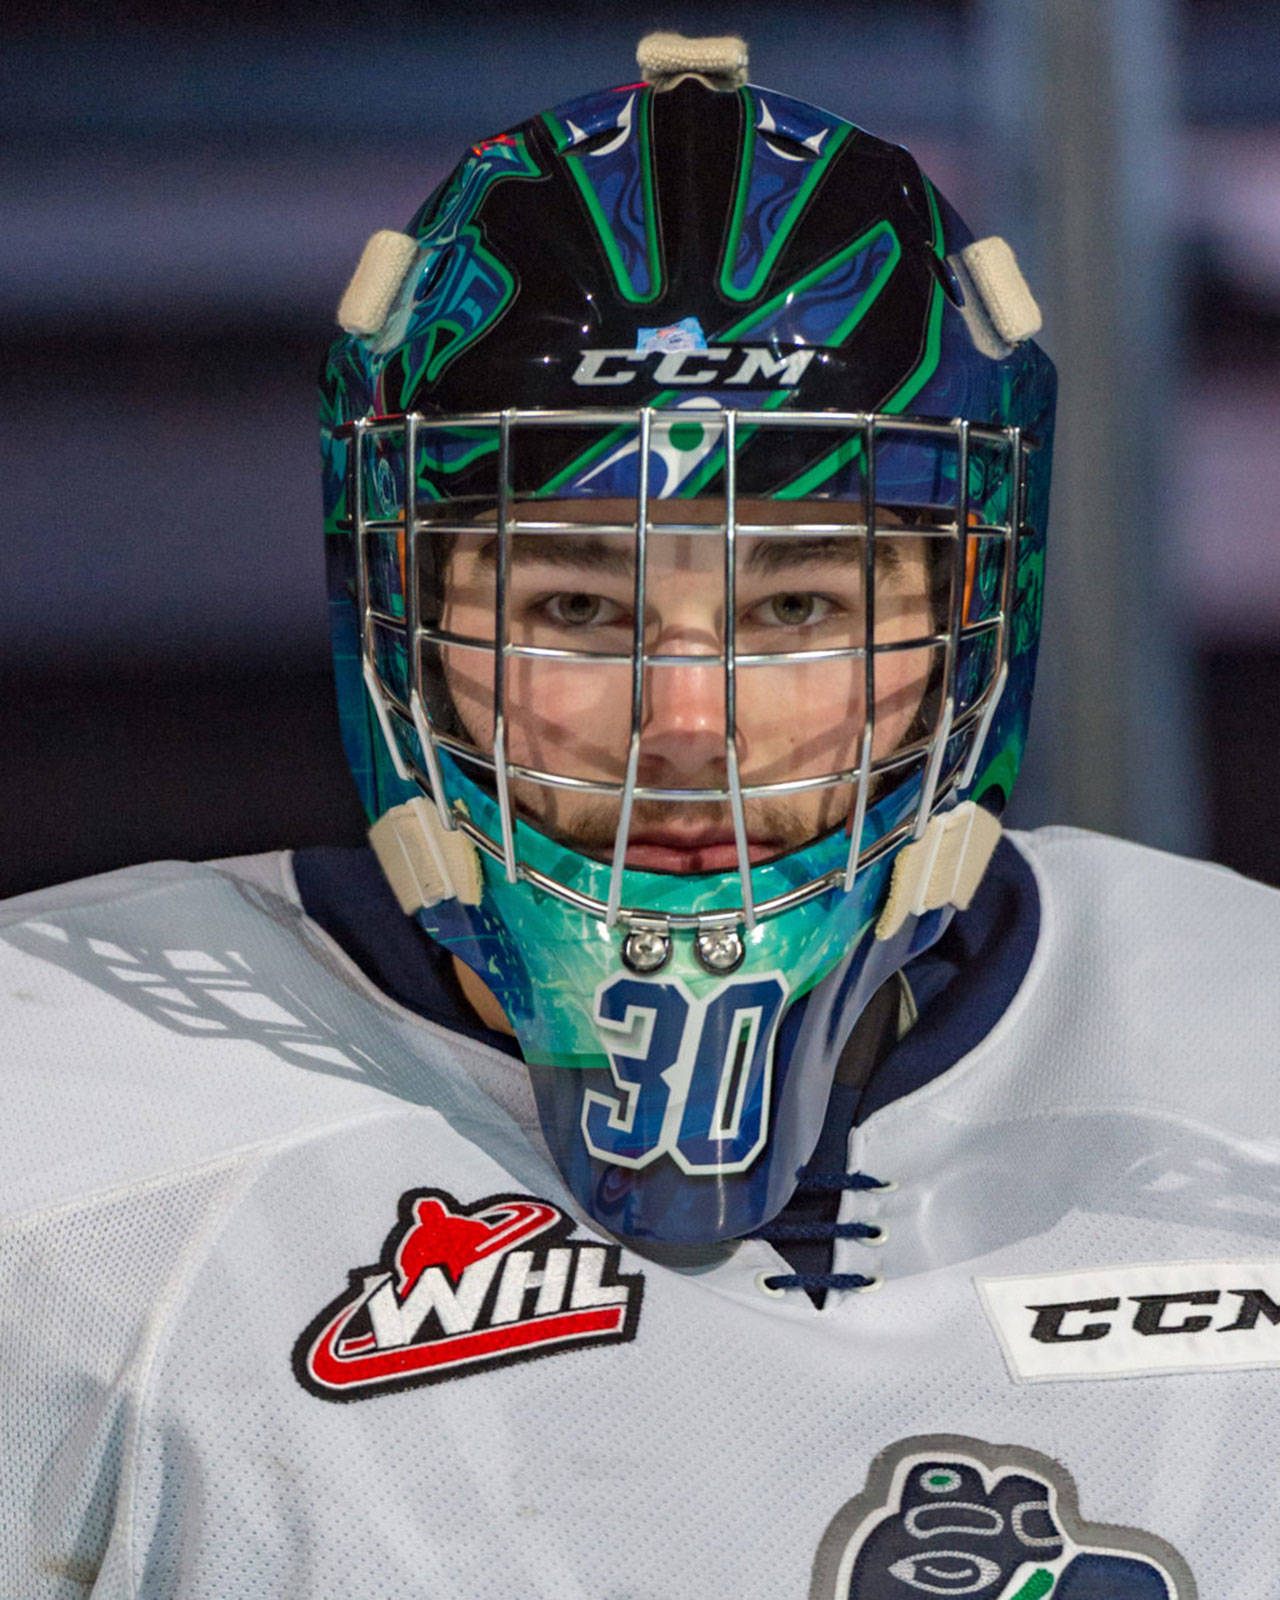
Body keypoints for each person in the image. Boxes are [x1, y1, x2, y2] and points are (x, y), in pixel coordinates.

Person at [3, 32, 1277, 1600]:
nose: (688, 725)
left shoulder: (1247, 1038)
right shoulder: (59, 1128)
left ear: (966, 621)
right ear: (407, 618)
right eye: (577, 607)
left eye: (799, 606)